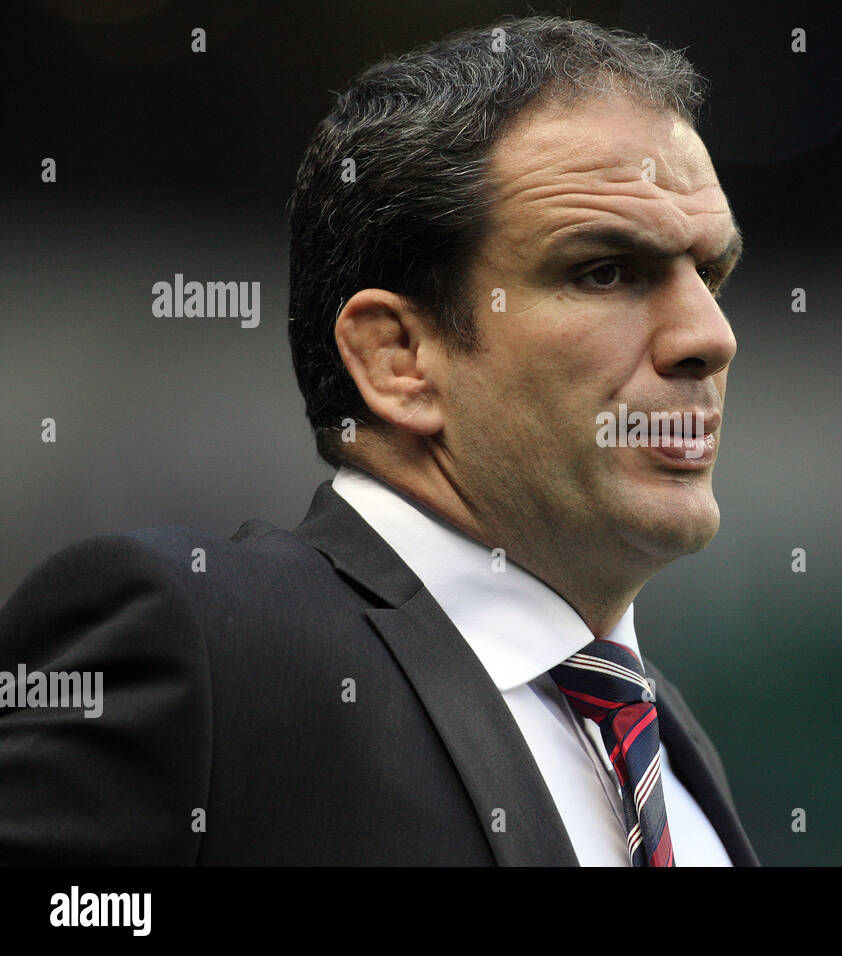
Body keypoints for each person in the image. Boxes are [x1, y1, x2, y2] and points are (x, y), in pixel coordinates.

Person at [0, 15, 756, 866]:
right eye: (604, 271)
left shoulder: (671, 752)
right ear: (400, 357)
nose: (710, 336)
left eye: (711, 273)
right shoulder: (212, 649)